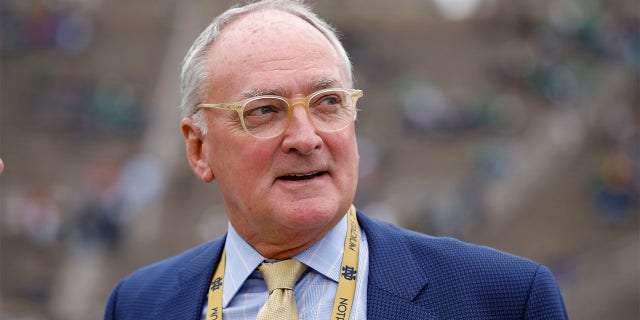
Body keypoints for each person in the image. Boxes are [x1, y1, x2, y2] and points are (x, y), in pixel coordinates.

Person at [104, 1, 568, 319]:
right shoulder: (140, 304)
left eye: (328, 102)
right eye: (264, 110)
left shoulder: (503, 300)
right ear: (199, 148)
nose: (305, 139)